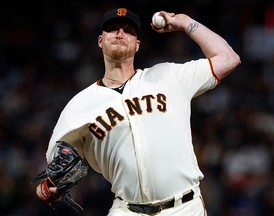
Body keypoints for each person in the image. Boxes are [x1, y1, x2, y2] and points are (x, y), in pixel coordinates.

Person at [36, 7, 240, 216]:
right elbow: (54, 171)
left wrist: (184, 22)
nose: (120, 33)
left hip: (185, 208)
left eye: (128, 30)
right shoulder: (79, 106)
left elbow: (228, 58)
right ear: (100, 40)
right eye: (113, 29)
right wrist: (46, 189)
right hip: (127, 211)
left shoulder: (168, 76)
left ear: (137, 45)